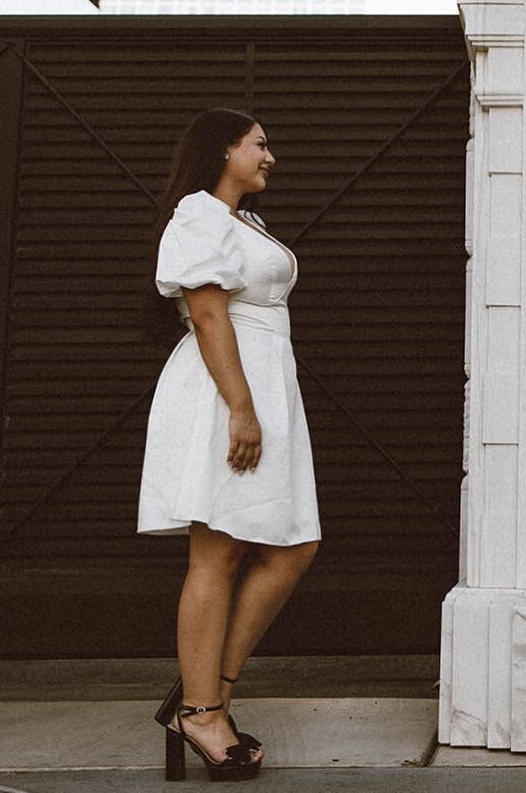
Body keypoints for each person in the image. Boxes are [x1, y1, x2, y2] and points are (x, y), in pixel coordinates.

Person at [138, 108, 320, 782]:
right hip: (227, 390)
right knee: (219, 548)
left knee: (293, 545)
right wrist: (241, 407)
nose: (271, 156)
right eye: (260, 144)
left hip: (263, 385)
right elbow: (210, 313)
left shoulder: (244, 223)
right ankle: (204, 708)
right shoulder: (199, 216)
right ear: (223, 150)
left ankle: (205, 699)